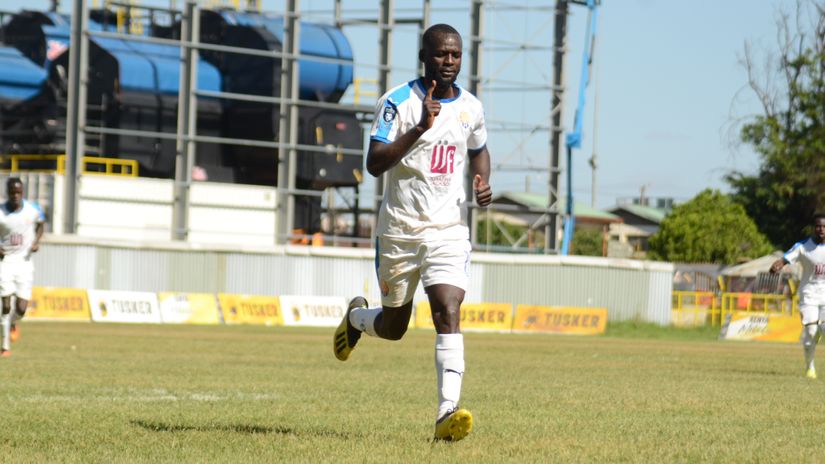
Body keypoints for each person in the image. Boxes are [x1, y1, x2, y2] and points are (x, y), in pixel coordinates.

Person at [333, 24, 492, 442]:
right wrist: (420, 128)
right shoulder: (397, 103)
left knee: (448, 310)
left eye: (456, 55)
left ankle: (446, 413)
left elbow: (478, 150)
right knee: (395, 326)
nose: (450, 62)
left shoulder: (471, 108)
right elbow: (374, 162)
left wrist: (481, 181)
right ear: (424, 57)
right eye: (442, 55)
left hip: (448, 230)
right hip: (400, 231)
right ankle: (357, 318)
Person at [770, 213, 825, 379]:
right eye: (818, 226)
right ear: (813, 228)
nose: (821, 229)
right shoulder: (803, 246)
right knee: (811, 330)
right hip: (808, 295)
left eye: (824, 226)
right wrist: (778, 264)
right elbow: (787, 257)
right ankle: (810, 367)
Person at [0, 178, 45, 357]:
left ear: (23, 192)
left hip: (24, 264)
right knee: (5, 305)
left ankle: (13, 323)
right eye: (12, 192)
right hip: (4, 262)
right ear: (8, 192)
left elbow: (40, 225)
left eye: (18, 192)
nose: (15, 195)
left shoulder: (33, 210)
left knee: (21, 309)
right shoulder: (1, 212)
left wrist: (36, 241)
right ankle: (5, 347)